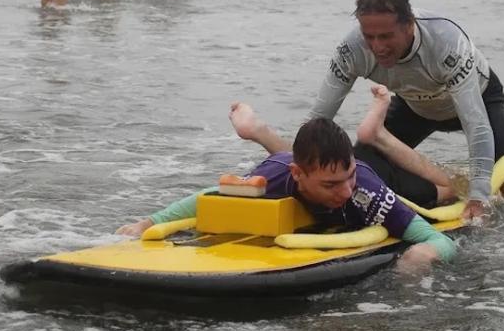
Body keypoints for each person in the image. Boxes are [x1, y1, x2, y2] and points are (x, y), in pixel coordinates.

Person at [117, 106, 456, 268]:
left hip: (386, 176)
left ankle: (380, 136)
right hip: (290, 162)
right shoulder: (276, 176)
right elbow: (206, 200)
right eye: (331, 184)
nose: (344, 191)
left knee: (444, 193)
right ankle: (259, 130)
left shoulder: (365, 191)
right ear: (299, 175)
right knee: (280, 160)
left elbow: (436, 238)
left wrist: (427, 254)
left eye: (346, 178)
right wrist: (148, 223)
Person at [309, 0, 504, 222]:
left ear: (409, 26)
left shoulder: (446, 42)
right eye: (369, 36)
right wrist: (299, 170)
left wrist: (478, 197)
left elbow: (476, 125)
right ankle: (440, 194)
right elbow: (319, 118)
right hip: (414, 106)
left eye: (386, 36)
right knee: (364, 165)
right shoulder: (352, 49)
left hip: (479, 99)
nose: (377, 47)